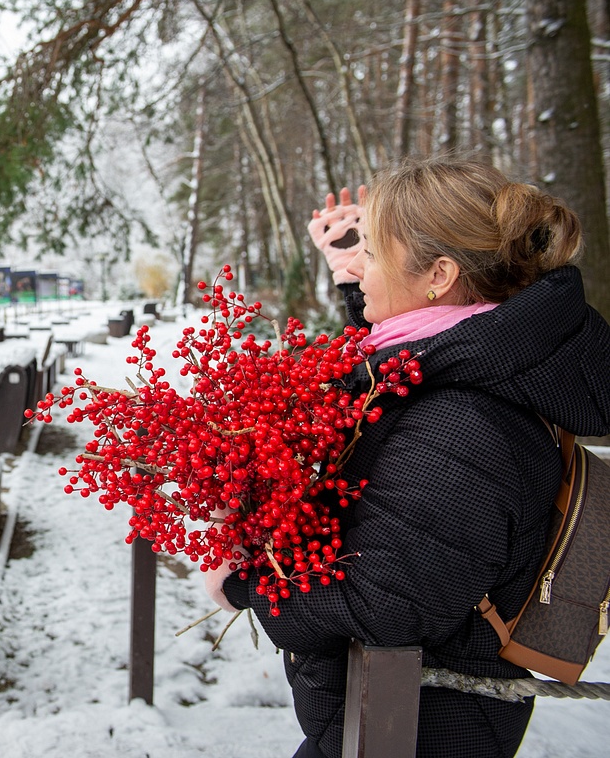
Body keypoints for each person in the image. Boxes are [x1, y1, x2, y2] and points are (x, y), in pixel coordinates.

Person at [207, 157, 610, 758]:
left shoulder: (464, 421)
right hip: (393, 716)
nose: (360, 268)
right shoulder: (488, 363)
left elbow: (387, 603)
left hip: (415, 727)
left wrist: (247, 584)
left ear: (440, 275)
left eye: (373, 254)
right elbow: (408, 375)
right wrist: (357, 281)